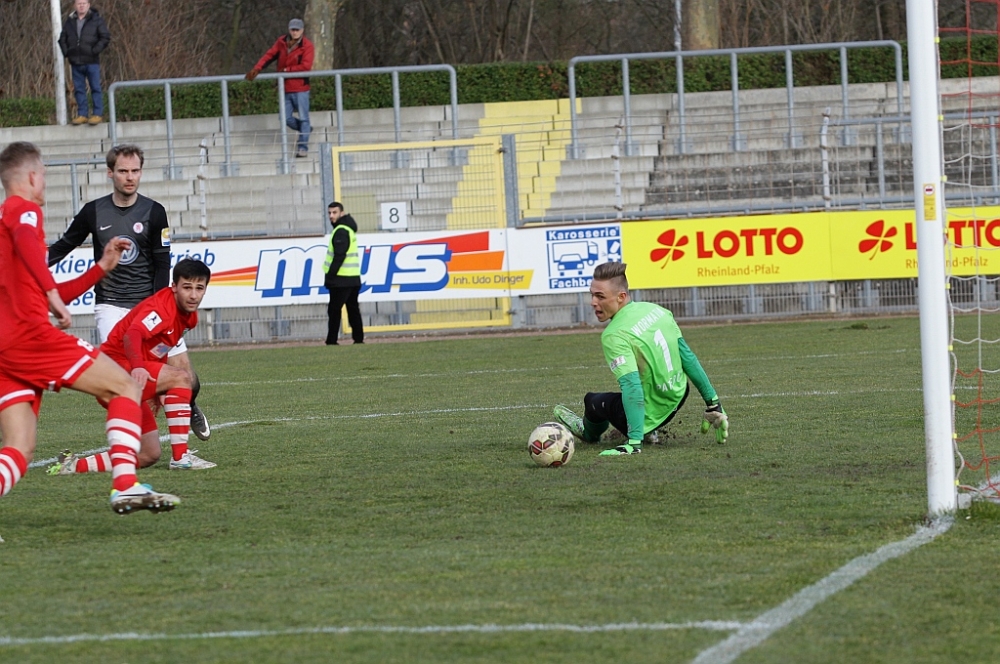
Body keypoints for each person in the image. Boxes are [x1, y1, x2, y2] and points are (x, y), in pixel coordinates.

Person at [0, 141, 178, 514]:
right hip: (30, 338)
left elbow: (43, 288)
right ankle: (126, 486)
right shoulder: (22, 210)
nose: (44, 182)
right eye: (43, 175)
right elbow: (34, 256)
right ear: (31, 176)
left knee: (20, 446)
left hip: (6, 349)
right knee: (125, 386)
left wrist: (100, 268)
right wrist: (52, 293)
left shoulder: (7, 224)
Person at [48, 144, 212, 442]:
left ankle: (189, 406)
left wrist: (158, 304)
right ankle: (140, 441)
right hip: (111, 306)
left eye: (135, 171)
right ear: (110, 173)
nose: (130, 177)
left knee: (188, 377)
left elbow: (163, 263)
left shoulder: (155, 212)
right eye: (123, 171)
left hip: (151, 305)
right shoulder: (93, 212)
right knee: (126, 377)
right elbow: (63, 246)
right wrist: (28, 268)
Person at [48, 259, 216, 476]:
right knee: (182, 377)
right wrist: (138, 367)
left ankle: (72, 466)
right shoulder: (162, 309)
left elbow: (160, 347)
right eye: (187, 287)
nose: (193, 295)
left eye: (199, 288)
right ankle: (181, 458)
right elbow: (133, 334)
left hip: (125, 372)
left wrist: (159, 387)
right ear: (174, 287)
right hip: (115, 371)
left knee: (149, 453)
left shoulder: (189, 317)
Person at [553, 262, 729, 456]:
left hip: (650, 412)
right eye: (592, 295)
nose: (593, 302)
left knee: (592, 401)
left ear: (621, 297)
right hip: (678, 394)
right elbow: (688, 358)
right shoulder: (656, 310)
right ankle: (647, 429)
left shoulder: (614, 334)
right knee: (632, 393)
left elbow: (631, 386)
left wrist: (633, 442)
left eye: (600, 296)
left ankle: (590, 433)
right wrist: (713, 404)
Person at [246, 18, 314, 158]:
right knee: (285, 118)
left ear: (302, 31)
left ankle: (303, 147)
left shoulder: (307, 46)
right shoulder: (281, 42)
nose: (294, 32)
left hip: (300, 87)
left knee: (304, 118)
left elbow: (306, 66)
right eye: (292, 29)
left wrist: (287, 70)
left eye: (297, 30)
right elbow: (269, 55)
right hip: (285, 87)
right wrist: (257, 69)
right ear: (289, 29)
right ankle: (305, 130)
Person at [58, 0, 111, 126]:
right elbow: (62, 39)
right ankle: (82, 114)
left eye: (84, 3)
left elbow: (105, 37)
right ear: (75, 5)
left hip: (92, 61)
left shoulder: (96, 20)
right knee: (79, 89)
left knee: (95, 88)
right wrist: (67, 53)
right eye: (79, 3)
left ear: (88, 5)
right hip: (76, 62)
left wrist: (95, 51)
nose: (81, 6)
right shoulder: (70, 21)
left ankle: (97, 114)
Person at [323, 201, 364, 345]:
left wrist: (330, 276)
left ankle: (332, 340)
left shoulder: (341, 231)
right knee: (353, 309)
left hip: (341, 279)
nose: (331, 216)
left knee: (334, 310)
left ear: (342, 213)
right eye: (329, 213)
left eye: (334, 212)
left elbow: (339, 256)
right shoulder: (349, 229)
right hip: (353, 277)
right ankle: (358, 339)